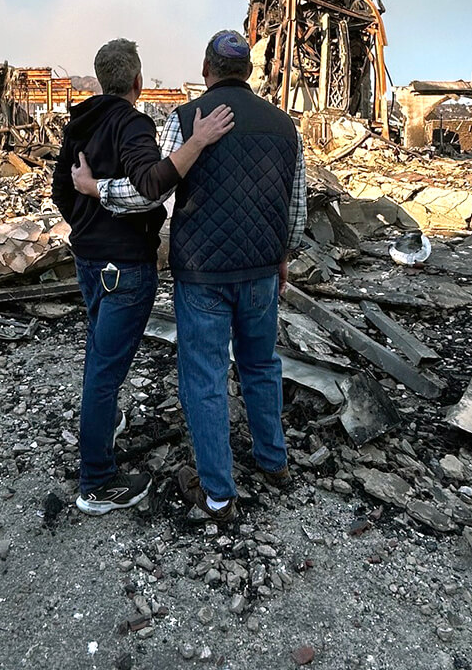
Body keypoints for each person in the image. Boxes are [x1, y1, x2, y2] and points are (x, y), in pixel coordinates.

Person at [73, 29, 306, 521]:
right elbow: (296, 207)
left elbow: (151, 192)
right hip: (262, 270)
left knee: (204, 376)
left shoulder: (185, 119)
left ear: (206, 70)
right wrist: (282, 254)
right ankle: (273, 460)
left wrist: (96, 189)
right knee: (261, 364)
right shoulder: (285, 126)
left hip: (202, 272)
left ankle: (218, 495)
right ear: (246, 72)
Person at [52, 38, 234, 515]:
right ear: (137, 81)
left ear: (100, 79)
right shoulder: (132, 123)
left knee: (98, 356)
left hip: (88, 259)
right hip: (125, 267)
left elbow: (61, 192)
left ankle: (102, 428)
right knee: (105, 372)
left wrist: (88, 228)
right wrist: (197, 142)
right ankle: (96, 483)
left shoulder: (80, 122)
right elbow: (151, 187)